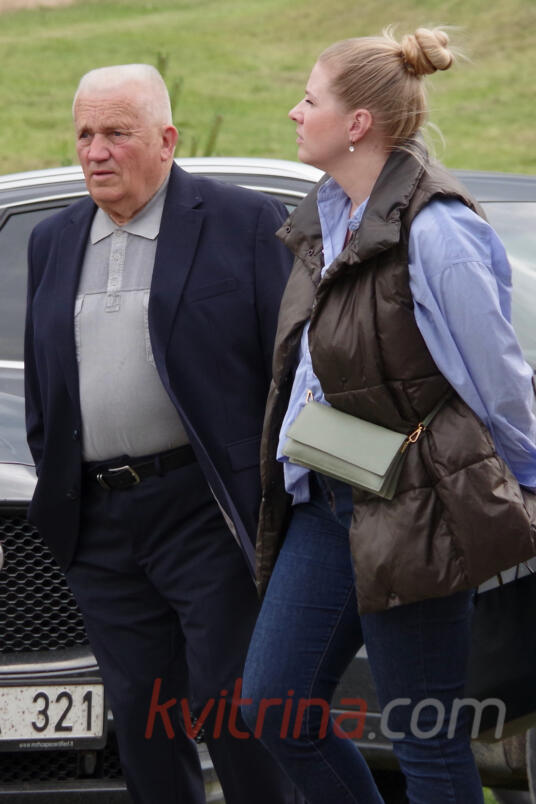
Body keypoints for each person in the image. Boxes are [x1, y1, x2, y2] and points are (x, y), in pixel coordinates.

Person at [241, 27, 536, 804]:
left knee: (425, 738)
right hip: (327, 497)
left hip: (416, 507)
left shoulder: (438, 230)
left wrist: (526, 491)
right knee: (274, 707)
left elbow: (501, 384)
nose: (295, 111)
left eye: (310, 99)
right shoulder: (329, 215)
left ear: (359, 123)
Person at [24, 63, 304, 804]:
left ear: (167, 140)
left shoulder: (242, 222)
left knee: (231, 705)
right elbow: (45, 386)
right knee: (141, 719)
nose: (96, 152)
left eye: (117, 133)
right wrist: (60, 482)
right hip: (100, 526)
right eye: (85, 134)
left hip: (205, 511)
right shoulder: (53, 239)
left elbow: (289, 369)